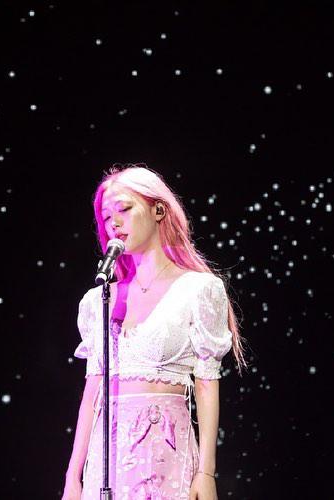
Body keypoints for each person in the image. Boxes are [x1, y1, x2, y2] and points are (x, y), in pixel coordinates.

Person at [62, 165, 247, 500]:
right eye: (106, 216)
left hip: (165, 453)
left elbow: (206, 383)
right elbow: (92, 394)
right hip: (108, 460)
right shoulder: (98, 300)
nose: (114, 223)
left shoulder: (198, 289)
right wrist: (73, 478)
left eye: (124, 209)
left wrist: (206, 472)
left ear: (158, 210)